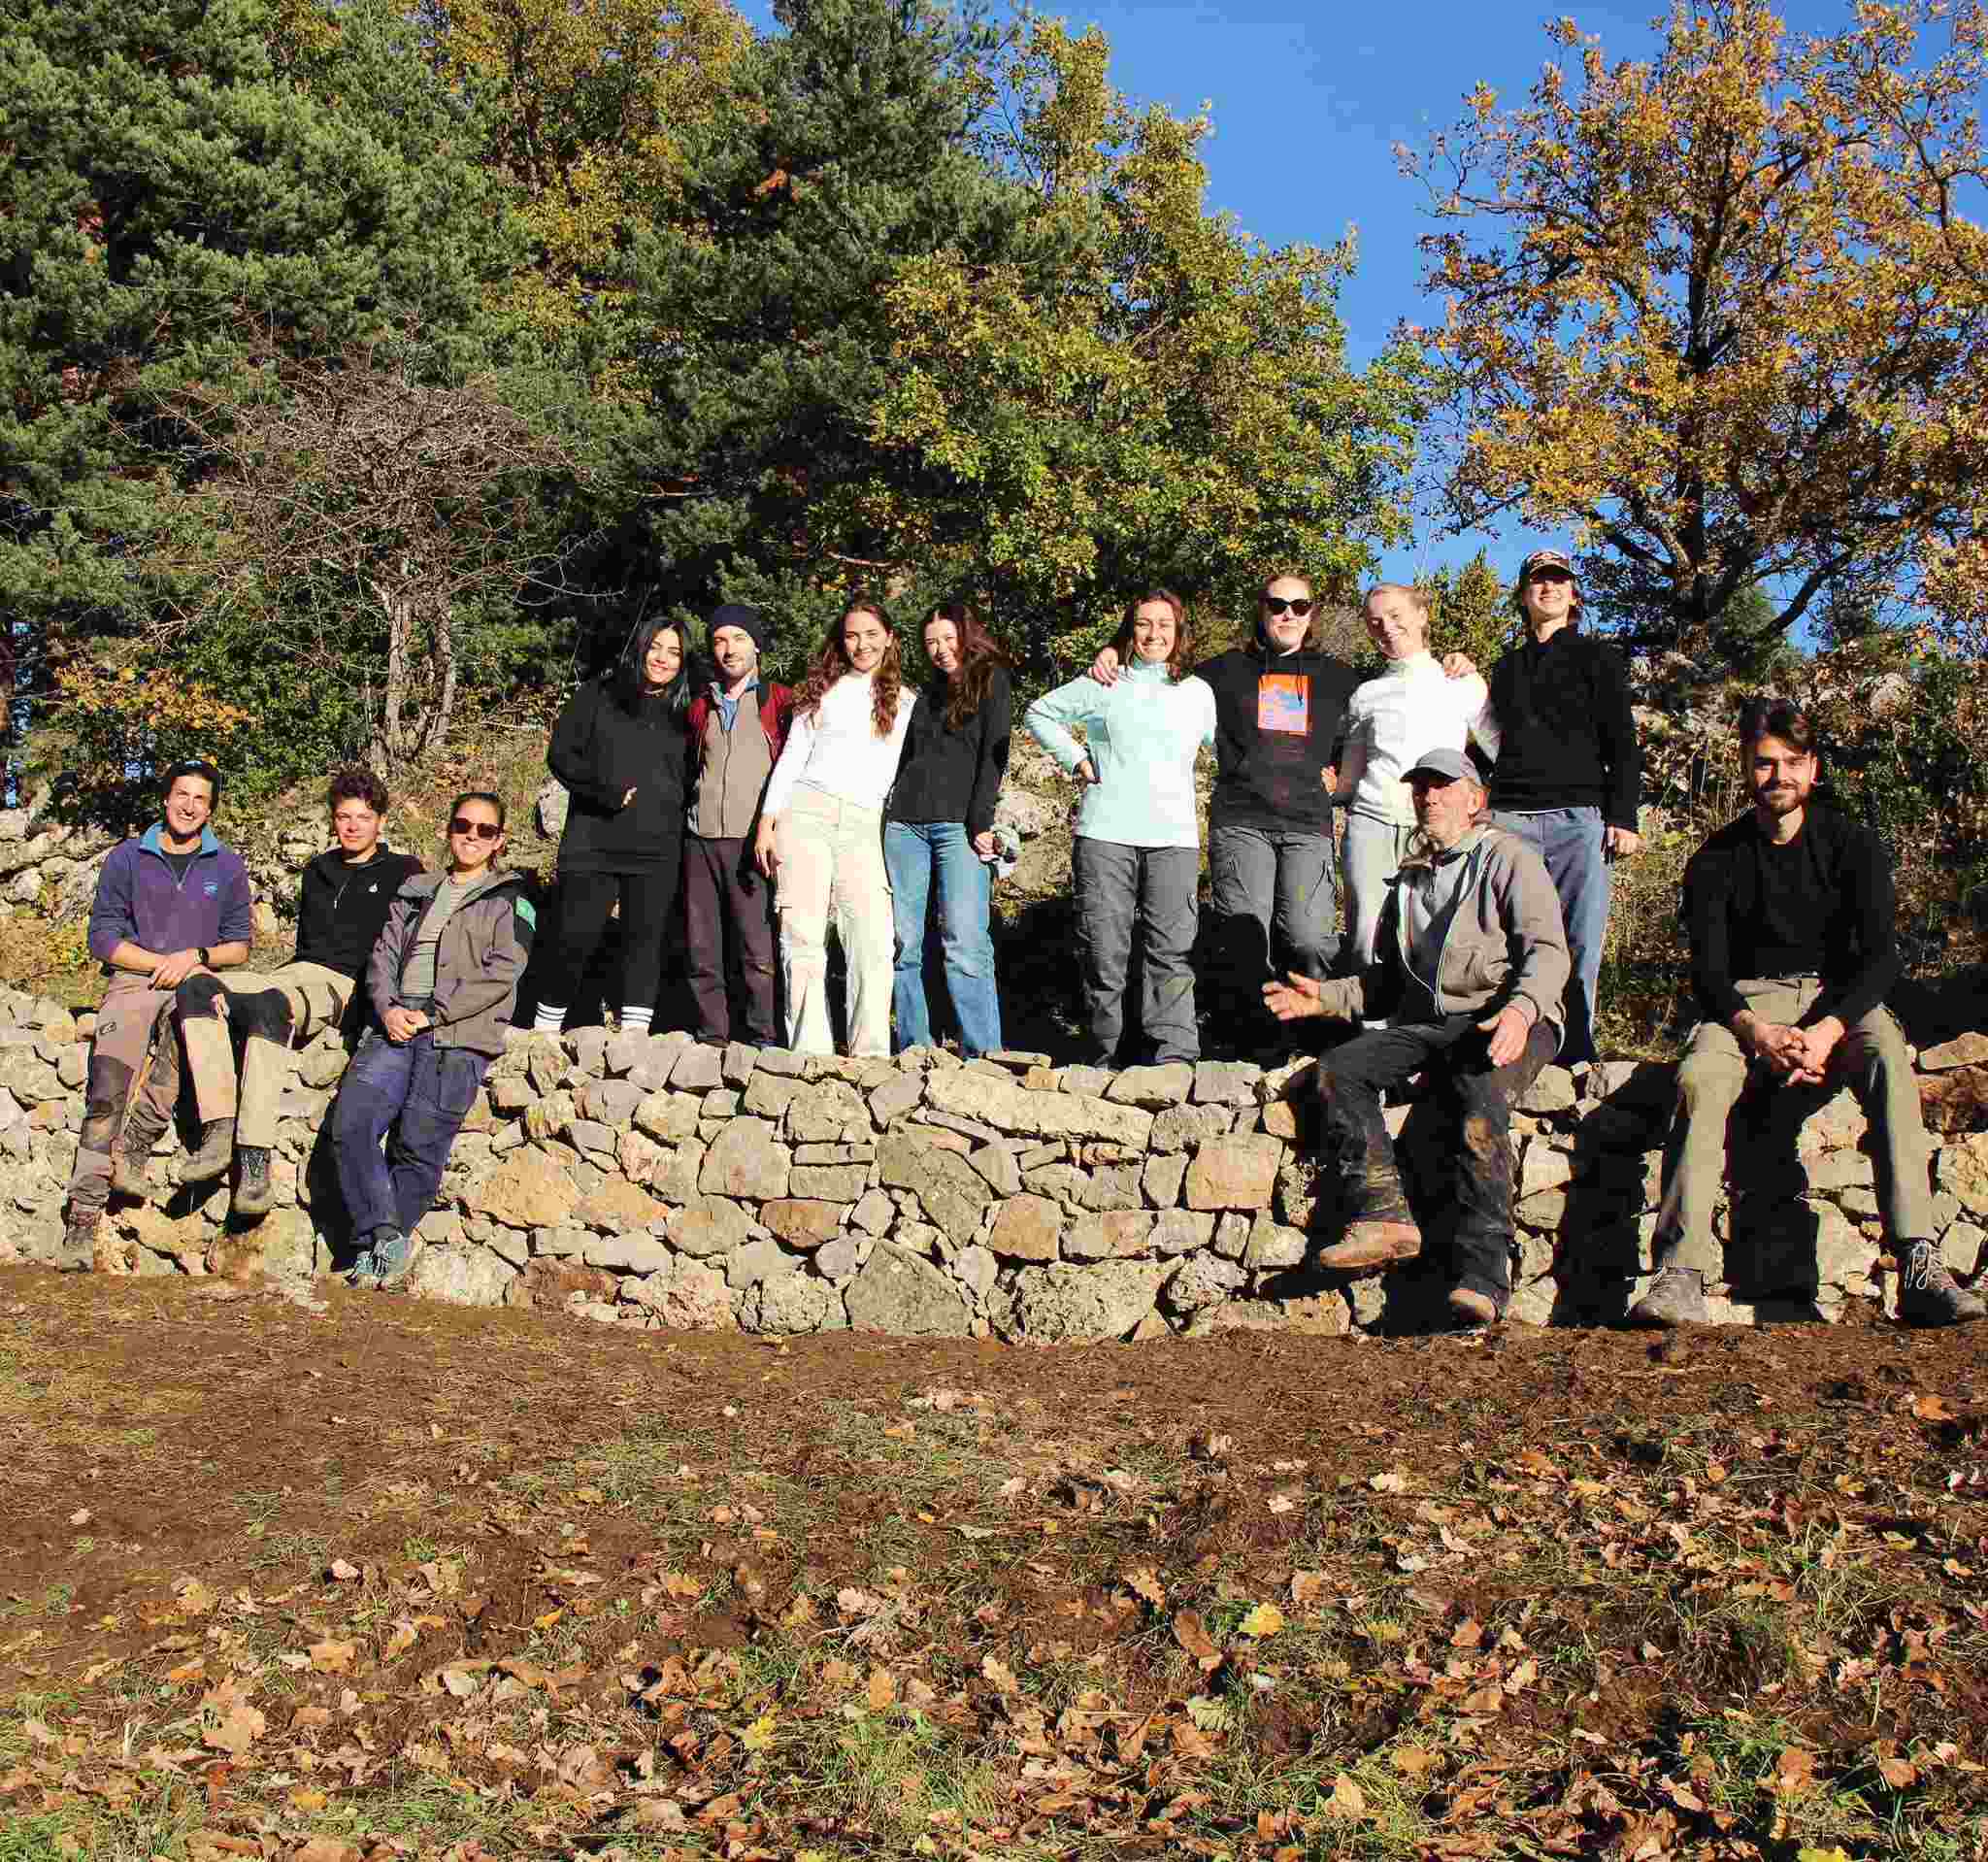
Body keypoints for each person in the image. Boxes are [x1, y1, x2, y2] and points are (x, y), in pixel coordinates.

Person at [1632, 699, 1983, 1329]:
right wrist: (1755, 1032)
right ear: (1746, 767)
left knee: (1886, 1058)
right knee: (1699, 1078)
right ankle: (1679, 1273)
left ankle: (1920, 1263)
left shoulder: (1854, 847)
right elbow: (1707, 974)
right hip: (1747, 1004)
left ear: (1813, 768)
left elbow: (1879, 962)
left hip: (1838, 1002)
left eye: (1792, 763)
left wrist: (1825, 1031)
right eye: (1765, 764)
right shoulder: (1716, 858)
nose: (1779, 777)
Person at [1265, 748, 1569, 1325]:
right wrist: (1326, 997)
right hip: (1431, 1023)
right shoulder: (1409, 879)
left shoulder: (1511, 859)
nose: (1428, 797)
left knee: (1476, 1096)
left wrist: (1522, 1012)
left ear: (1476, 800)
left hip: (1505, 1015)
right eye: (1421, 788)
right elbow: (1385, 985)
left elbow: (1549, 952)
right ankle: (1384, 1216)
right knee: (1337, 1072)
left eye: (1442, 786)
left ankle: (1485, 1276)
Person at [1087, 571, 1355, 1056]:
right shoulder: (1224, 671)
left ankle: (1321, 1048)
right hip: (1241, 822)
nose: (1288, 614)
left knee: (1311, 937)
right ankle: (1256, 1051)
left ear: (1312, 613)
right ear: (1262, 609)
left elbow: (1377, 720)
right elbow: (1159, 657)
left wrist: (1341, 768)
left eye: (1299, 605)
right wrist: (1111, 647)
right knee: (1245, 946)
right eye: (1277, 605)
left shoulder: (1338, 677)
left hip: (1307, 827)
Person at [199, 765, 426, 1217]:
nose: (353, 826)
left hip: (348, 983)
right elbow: (306, 946)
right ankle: (216, 1127)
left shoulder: (404, 871)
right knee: (197, 987)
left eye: (363, 817)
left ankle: (255, 1160)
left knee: (268, 1006)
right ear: (333, 820)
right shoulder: (318, 869)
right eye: (344, 817)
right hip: (299, 970)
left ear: (381, 821)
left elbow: (408, 947)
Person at [333, 792, 534, 1290]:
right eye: (464, 825)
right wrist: (387, 1009)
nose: (472, 836)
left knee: (419, 1146)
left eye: (485, 830)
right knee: (351, 1125)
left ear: (499, 841)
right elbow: (381, 959)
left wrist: (433, 1014)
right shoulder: (415, 890)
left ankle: (377, 1255)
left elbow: (503, 973)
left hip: (455, 1036)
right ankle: (382, 1235)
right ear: (449, 830)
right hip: (394, 1026)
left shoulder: (511, 899)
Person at [58, 760, 253, 1266]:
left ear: (211, 809)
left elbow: (239, 945)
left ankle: (139, 1146)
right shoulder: (127, 859)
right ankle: (83, 1216)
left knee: (184, 1041)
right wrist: (157, 964)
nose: (189, 806)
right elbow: (102, 938)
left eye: (201, 799)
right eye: (181, 795)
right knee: (106, 1090)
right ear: (166, 799)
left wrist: (195, 959)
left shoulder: (227, 867)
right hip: (133, 980)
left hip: (192, 981)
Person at [1027, 591, 1217, 1065]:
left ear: (1179, 632)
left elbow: (1232, 749)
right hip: (1105, 833)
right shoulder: (1103, 681)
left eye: (1164, 625)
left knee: (1171, 953)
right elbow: (1039, 713)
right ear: (1129, 629)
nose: (1154, 634)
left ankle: (1173, 1057)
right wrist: (1076, 759)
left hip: (1173, 840)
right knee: (1103, 952)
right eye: (1143, 624)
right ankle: (1104, 1055)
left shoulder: (1198, 691)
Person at [1475, 549, 1642, 1069]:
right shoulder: (1505, 668)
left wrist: (1624, 816)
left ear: (1573, 594)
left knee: (1579, 936)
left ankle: (1575, 1048)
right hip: (1509, 819)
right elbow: (1482, 739)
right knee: (1510, 935)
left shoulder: (1600, 660)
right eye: (1537, 581)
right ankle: (1512, 1041)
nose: (1547, 588)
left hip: (1579, 818)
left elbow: (1623, 741)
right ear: (1523, 595)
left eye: (1558, 581)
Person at [755, 598, 917, 1056]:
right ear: (840, 642)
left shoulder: (907, 703)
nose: (861, 644)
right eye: (851, 635)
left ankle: (870, 1051)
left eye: (870, 634)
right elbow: (791, 758)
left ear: (889, 638)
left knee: (873, 936)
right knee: (802, 933)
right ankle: (809, 1048)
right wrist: (767, 821)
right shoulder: (821, 692)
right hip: (806, 811)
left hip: (866, 820)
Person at [533, 617, 694, 1037]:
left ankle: (634, 1041)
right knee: (572, 937)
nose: (662, 658)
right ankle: (543, 1035)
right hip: (593, 840)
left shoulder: (687, 712)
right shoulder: (599, 694)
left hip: (658, 849)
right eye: (656, 647)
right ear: (640, 647)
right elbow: (561, 754)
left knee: (644, 944)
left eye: (674, 652)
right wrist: (602, 790)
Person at [1330, 583, 1496, 966]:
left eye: (1395, 615)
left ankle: (1418, 1024)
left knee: (1429, 939)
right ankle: (1365, 1024)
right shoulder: (1366, 694)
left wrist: (1482, 807)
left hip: (1438, 827)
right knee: (1365, 940)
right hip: (1371, 824)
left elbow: (1500, 749)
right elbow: (1349, 780)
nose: (1386, 627)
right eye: (1375, 622)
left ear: (1422, 615)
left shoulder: (1462, 682)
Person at [885, 599, 1013, 1056]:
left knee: (965, 941)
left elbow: (993, 760)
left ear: (966, 633)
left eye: (947, 637)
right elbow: (903, 761)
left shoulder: (993, 681)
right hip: (904, 827)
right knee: (903, 944)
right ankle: (913, 1047)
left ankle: (985, 1053)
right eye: (930, 642)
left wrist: (981, 821)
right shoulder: (924, 696)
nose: (940, 649)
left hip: (959, 828)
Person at [683, 603, 794, 1047]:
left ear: (757, 645)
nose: (728, 649)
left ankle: (763, 1037)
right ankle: (712, 1035)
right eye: (719, 640)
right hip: (700, 839)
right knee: (701, 945)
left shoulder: (780, 701)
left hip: (753, 841)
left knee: (756, 948)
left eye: (739, 638)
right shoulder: (700, 705)